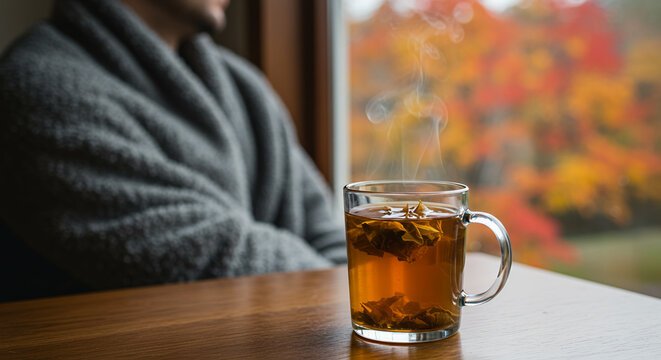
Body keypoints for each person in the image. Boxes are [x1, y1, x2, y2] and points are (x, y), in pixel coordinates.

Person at [0, 0, 346, 301]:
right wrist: (350, 295)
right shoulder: (38, 88)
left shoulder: (244, 87)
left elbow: (330, 242)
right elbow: (216, 260)